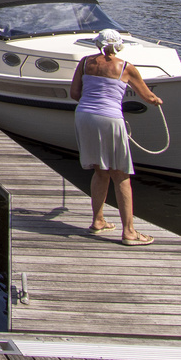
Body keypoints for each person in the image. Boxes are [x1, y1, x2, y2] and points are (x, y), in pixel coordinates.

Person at [68, 28, 162, 245]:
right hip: (109, 118)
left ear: (97, 43)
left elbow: (74, 94)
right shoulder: (126, 67)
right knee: (121, 174)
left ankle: (98, 221)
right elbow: (147, 96)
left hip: (84, 116)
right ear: (118, 45)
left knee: (100, 170)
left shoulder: (84, 63)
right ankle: (129, 232)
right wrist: (156, 100)